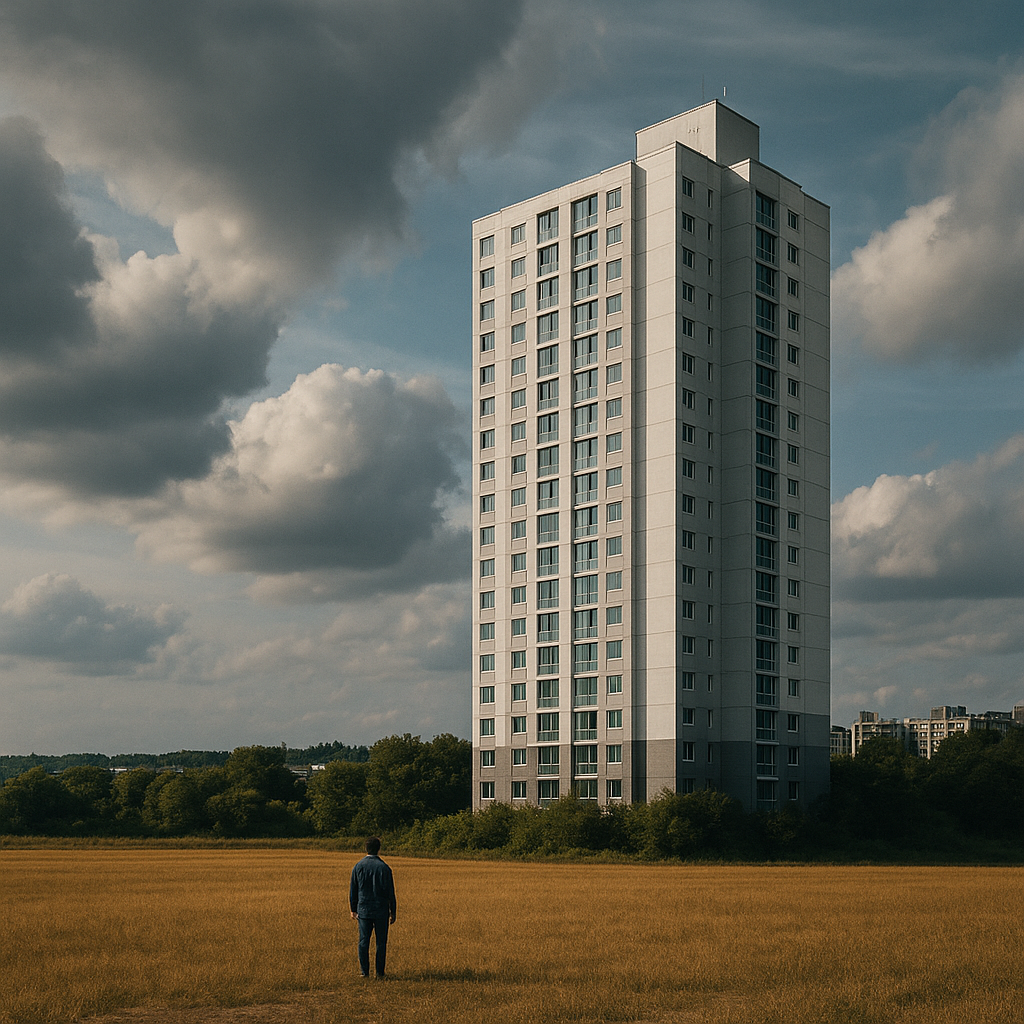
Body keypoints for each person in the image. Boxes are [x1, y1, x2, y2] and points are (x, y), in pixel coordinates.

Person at [349, 836, 397, 978]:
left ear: (366, 848)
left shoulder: (358, 866)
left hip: (364, 909)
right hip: (381, 910)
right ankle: (380, 973)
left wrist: (353, 909)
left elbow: (353, 890)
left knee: (363, 941)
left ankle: (364, 972)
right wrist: (393, 911)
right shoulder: (384, 868)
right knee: (381, 943)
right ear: (379, 849)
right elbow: (390, 892)